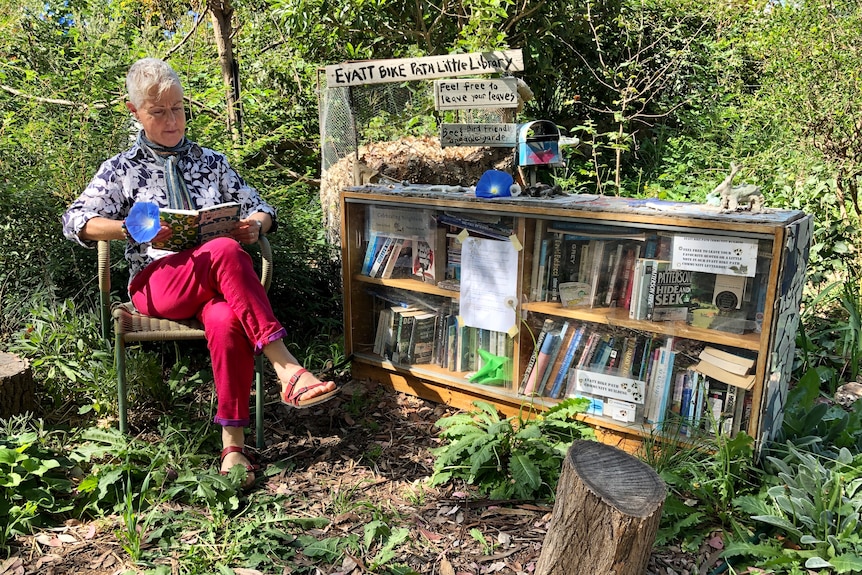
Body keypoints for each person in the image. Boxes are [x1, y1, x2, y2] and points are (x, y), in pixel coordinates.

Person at [62, 57, 337, 488]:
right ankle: (287, 368)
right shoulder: (120, 168)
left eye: (177, 108)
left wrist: (255, 226)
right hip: (156, 284)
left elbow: (261, 207)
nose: (172, 120)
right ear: (135, 113)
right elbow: (76, 220)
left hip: (215, 280)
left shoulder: (212, 162)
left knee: (227, 314)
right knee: (225, 251)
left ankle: (233, 447)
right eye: (158, 111)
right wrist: (129, 227)